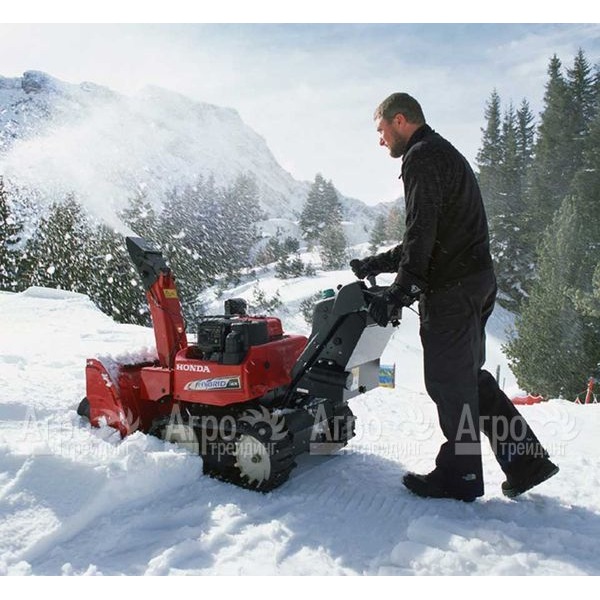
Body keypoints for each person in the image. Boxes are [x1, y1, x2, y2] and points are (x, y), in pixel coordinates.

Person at [351, 92, 558, 502]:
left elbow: (422, 231)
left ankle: (459, 474)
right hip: (475, 283)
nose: (380, 140)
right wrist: (379, 263)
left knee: (448, 382)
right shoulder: (442, 152)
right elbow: (433, 233)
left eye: (381, 130)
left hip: (452, 290)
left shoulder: (421, 156)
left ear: (399, 120)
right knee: (468, 378)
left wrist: (402, 290)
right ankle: (525, 461)